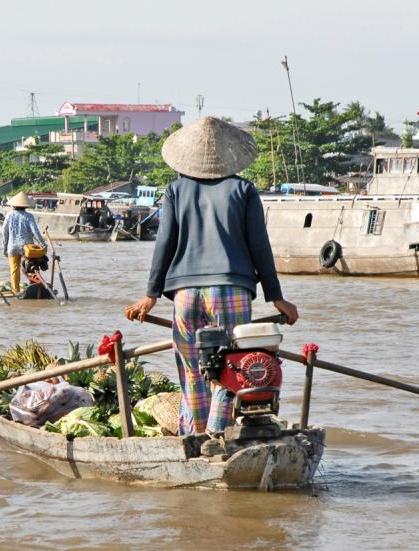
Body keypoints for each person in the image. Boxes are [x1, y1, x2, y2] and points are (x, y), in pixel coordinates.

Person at [124, 116, 299, 436]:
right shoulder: (243, 189)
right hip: (232, 290)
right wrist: (277, 297)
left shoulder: (176, 189)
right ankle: (217, 438)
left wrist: (150, 294)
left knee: (193, 373)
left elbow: (165, 243)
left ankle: (194, 440)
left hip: (186, 296)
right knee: (230, 370)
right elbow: (260, 246)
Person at [1, 191, 47, 292]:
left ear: (14, 205)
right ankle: (36, 287)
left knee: (14, 269)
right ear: (25, 205)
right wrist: (43, 245)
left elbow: (4, 233)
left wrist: (4, 248)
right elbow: (35, 231)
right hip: (27, 248)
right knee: (32, 267)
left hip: (12, 247)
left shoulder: (9, 215)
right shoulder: (28, 216)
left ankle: (15, 290)